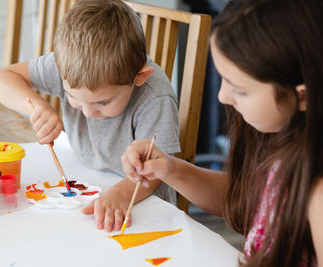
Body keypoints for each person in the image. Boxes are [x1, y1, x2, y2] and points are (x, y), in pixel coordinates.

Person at [121, 0, 323, 266]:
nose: (222, 96)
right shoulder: (282, 135)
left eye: (239, 88)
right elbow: (247, 198)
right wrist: (170, 169)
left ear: (303, 96)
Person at [0, 0, 180, 232]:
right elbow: (0, 79)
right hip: (91, 185)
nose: (88, 112)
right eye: (73, 96)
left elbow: (158, 170)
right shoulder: (69, 64)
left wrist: (118, 195)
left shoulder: (154, 96)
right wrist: (37, 107)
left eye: (104, 102)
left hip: (144, 206)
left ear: (139, 77)